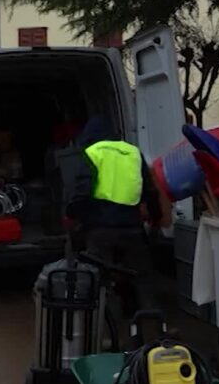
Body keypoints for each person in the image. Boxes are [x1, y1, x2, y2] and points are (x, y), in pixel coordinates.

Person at [65, 116, 163, 314]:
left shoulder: (92, 153)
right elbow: (150, 191)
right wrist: (156, 217)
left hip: (99, 230)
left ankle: (102, 327)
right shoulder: (133, 153)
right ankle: (153, 326)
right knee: (142, 276)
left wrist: (73, 215)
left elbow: (82, 191)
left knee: (97, 278)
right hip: (132, 228)